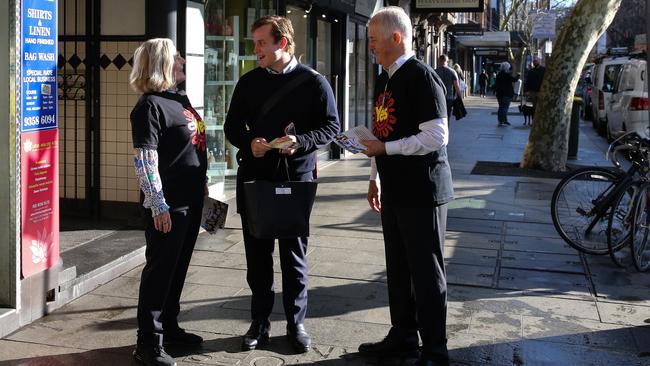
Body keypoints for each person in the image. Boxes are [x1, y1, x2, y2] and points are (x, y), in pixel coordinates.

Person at [223, 15, 339, 354]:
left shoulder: (314, 83)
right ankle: (259, 322)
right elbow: (232, 127)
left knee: (294, 256)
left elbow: (331, 127)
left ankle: (296, 323)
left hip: (296, 179)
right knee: (257, 257)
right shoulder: (249, 82)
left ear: (281, 44)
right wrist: (250, 143)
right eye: (255, 42)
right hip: (256, 178)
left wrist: (300, 141)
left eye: (261, 42)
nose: (255, 49)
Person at [358, 7, 454, 366]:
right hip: (395, 188)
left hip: (423, 192)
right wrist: (374, 177)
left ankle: (434, 349)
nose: (369, 46)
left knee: (426, 273)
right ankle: (403, 335)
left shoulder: (422, 78)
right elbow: (382, 132)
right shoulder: (385, 78)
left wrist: (387, 149)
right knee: (398, 268)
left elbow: (436, 135)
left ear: (395, 38)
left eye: (373, 39)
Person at [129, 38, 208, 366]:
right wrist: (157, 204)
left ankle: (170, 328)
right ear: (161, 63)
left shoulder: (178, 98)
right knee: (160, 273)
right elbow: (145, 160)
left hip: (190, 201)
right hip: (169, 206)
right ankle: (148, 343)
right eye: (176, 58)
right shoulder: (149, 107)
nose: (182, 63)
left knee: (177, 270)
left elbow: (192, 145)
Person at [435, 54, 462, 119]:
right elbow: (457, 86)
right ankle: (446, 127)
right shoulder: (452, 72)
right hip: (449, 98)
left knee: (438, 117)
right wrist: (459, 97)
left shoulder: (434, 72)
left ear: (439, 61)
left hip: (438, 98)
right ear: (447, 61)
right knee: (447, 116)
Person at [494, 61, 520, 126]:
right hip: (507, 94)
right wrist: (518, 75)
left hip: (499, 94)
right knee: (505, 107)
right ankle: (504, 120)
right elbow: (514, 80)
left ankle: (500, 120)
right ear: (507, 68)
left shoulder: (499, 75)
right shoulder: (507, 75)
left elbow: (496, 84)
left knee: (501, 107)